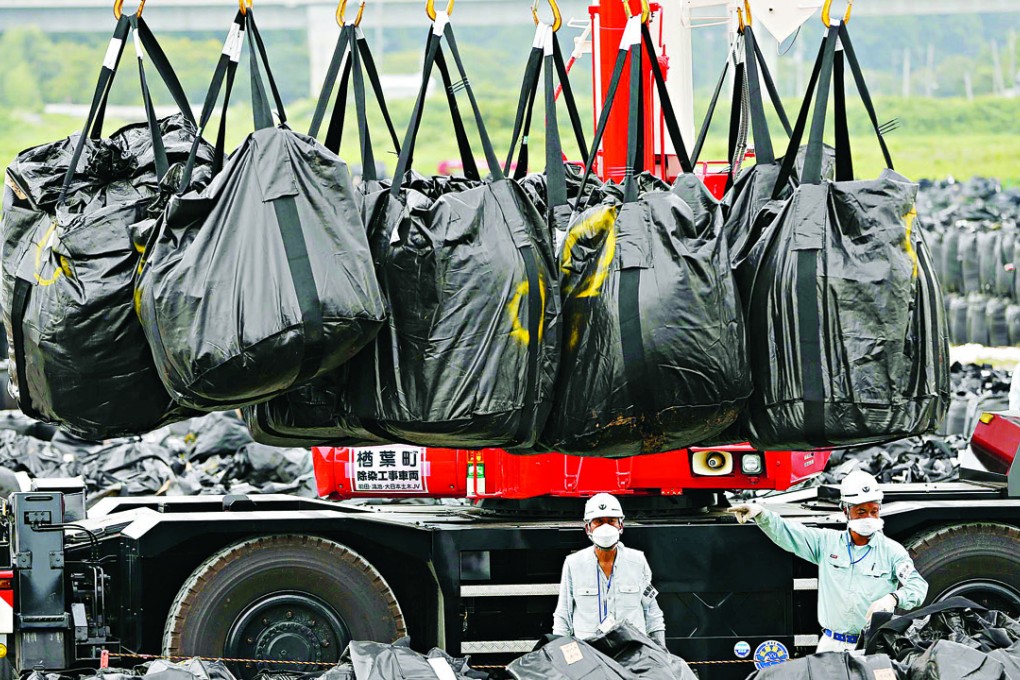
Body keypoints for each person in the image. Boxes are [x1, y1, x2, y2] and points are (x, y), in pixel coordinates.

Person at [727, 470, 928, 653]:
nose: (869, 517)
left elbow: (918, 586)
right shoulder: (827, 543)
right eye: (861, 512)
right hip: (831, 645)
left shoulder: (892, 551)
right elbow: (789, 534)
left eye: (874, 511)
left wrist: (893, 598)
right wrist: (762, 515)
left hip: (871, 645)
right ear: (845, 511)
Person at [552, 493, 666, 646]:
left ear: (621, 525)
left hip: (631, 651)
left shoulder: (637, 562)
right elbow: (563, 616)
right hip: (590, 653)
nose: (605, 527)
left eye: (611, 521)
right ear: (588, 528)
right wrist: (561, 657)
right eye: (599, 521)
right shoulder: (574, 564)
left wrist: (661, 652)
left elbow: (652, 612)